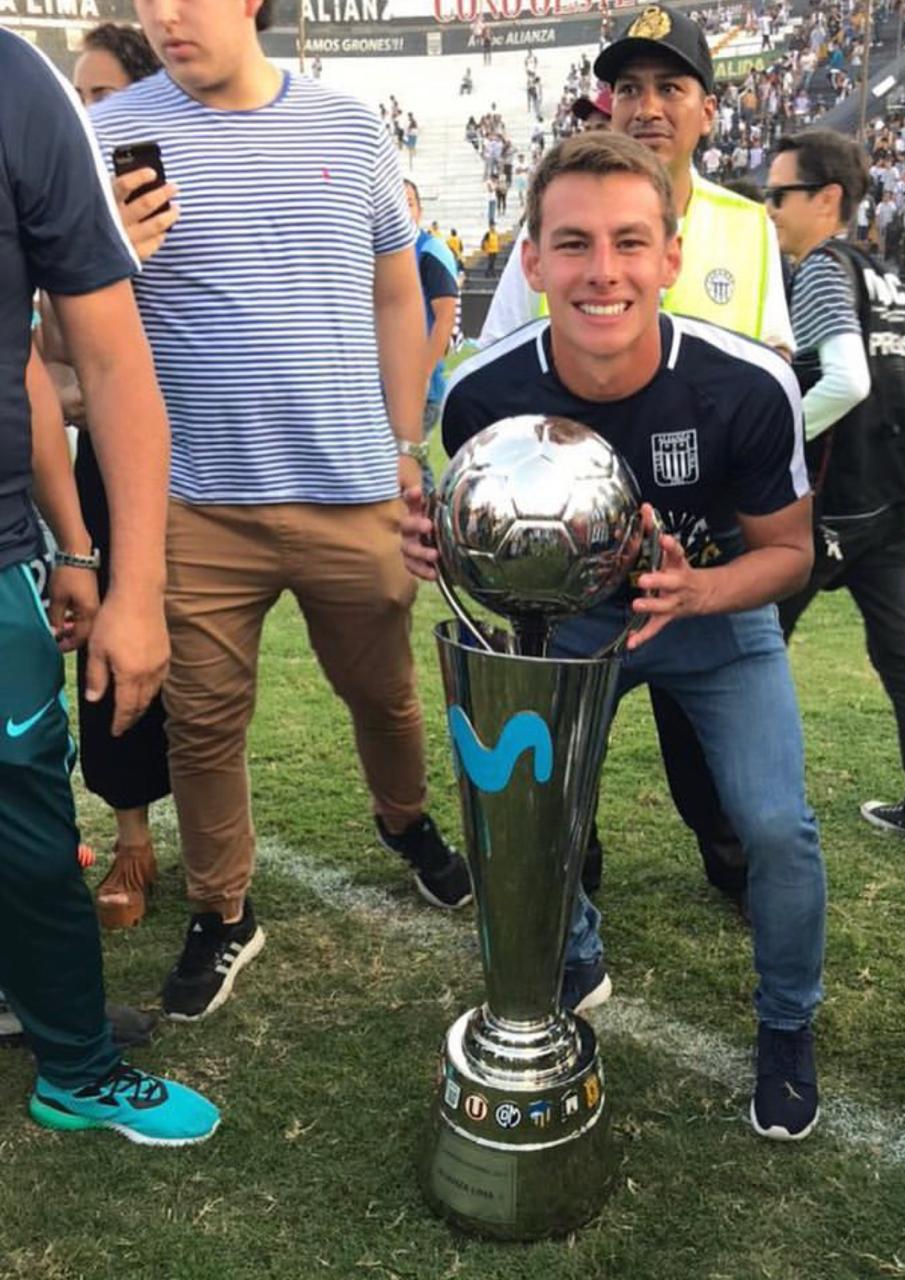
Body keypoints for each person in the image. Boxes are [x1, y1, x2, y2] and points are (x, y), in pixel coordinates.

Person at [404, 133, 826, 1142]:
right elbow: (480, 536)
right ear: (533, 261)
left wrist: (702, 585)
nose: (603, 271)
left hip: (711, 616)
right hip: (565, 619)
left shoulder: (742, 386)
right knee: (531, 803)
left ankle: (785, 1027)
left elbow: (791, 553)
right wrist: (438, 543)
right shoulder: (481, 395)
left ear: (670, 258)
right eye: (574, 243)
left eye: (630, 242)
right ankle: (574, 949)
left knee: (774, 827)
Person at [92, 0, 470, 1024]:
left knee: (383, 692)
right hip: (197, 505)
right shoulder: (108, 133)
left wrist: (402, 443)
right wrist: (107, 251)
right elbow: (67, 328)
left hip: (352, 490)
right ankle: (223, 909)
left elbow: (400, 294)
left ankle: (406, 821)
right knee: (203, 726)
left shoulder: (349, 126)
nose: (165, 13)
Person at [479, 4, 794, 906]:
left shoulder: (745, 227)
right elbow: (500, 378)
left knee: (719, 753)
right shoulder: (555, 229)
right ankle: (573, 871)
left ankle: (730, 858)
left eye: (670, 87)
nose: (647, 106)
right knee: (559, 756)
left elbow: (773, 371)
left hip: (708, 557)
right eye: (627, 88)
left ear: (706, 110)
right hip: (571, 563)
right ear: (604, 105)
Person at [0, 27, 217, 1143]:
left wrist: (102, 562)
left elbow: (87, 359)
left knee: (30, 829)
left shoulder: (16, 83)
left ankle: (72, 1060)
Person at [765, 130, 905, 849]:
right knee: (898, 652)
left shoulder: (819, 269)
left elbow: (848, 379)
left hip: (833, 506)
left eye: (780, 194)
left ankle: (750, 814)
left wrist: (774, 442)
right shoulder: (880, 272)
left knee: (753, 650)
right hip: (891, 501)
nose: (770, 209)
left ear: (827, 199)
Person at [35, 23, 170, 932]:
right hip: (106, 465)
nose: (87, 115)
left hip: (214, 459)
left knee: (207, 663)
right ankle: (131, 831)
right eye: (79, 98)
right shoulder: (71, 199)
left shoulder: (180, 184)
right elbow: (49, 350)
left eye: (104, 97)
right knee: (102, 643)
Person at [403, 181, 460, 438]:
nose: (402, 210)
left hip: (418, 389)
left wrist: (423, 375)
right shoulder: (376, 252)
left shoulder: (429, 250)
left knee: (406, 461)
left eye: (409, 203)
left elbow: (445, 318)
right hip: (380, 385)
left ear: (420, 211)